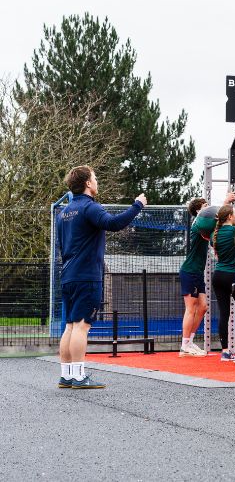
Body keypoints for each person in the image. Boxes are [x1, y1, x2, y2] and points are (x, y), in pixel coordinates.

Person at [56, 165, 146, 389]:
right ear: (87, 183)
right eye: (95, 178)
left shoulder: (63, 212)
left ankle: (66, 375)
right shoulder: (89, 207)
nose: (97, 181)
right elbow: (114, 224)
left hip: (68, 274)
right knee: (82, 326)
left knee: (70, 325)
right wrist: (137, 205)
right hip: (87, 275)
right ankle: (78, 376)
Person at [180, 191, 235, 357]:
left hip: (196, 271)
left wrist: (227, 205)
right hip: (189, 271)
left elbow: (219, 221)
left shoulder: (207, 227)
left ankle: (189, 341)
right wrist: (225, 201)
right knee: (191, 308)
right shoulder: (198, 224)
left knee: (203, 307)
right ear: (198, 211)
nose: (209, 209)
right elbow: (217, 217)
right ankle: (184, 346)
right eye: (205, 206)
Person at [210, 205, 235, 361]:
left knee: (224, 314)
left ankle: (225, 351)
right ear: (229, 216)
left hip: (218, 276)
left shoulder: (215, 234)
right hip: (233, 275)